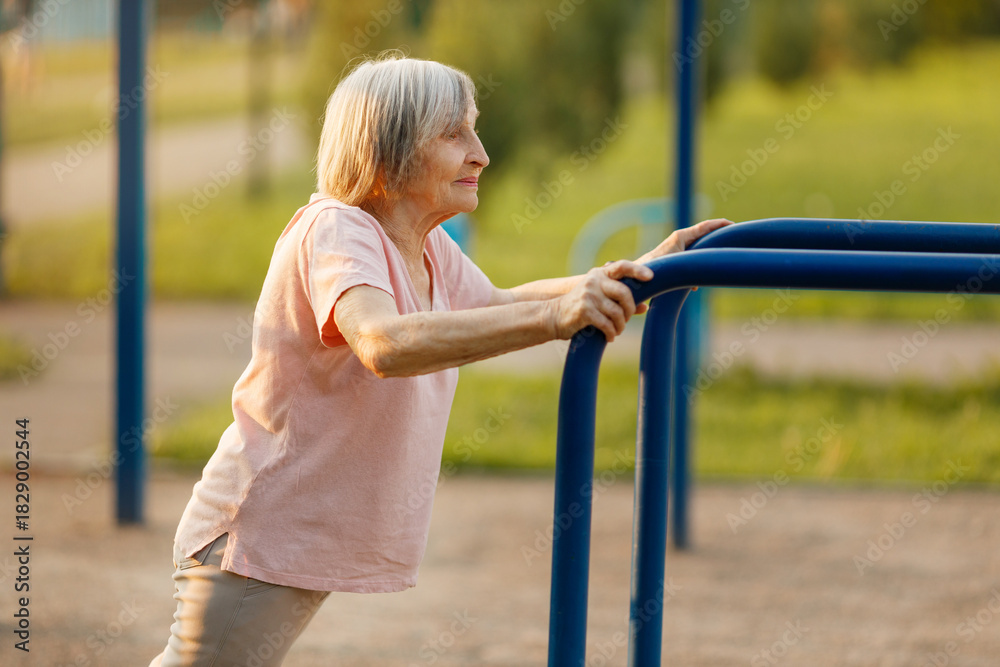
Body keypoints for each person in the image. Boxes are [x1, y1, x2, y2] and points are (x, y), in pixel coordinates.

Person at [149, 54, 730, 666]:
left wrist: (639, 275)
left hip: (294, 537)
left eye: (473, 130)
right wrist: (556, 317)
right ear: (388, 149)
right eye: (454, 134)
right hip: (259, 533)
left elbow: (502, 303)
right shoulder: (336, 229)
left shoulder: (423, 247)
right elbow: (383, 342)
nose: (481, 154)